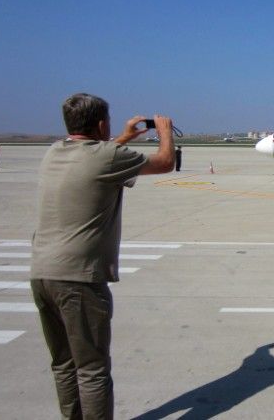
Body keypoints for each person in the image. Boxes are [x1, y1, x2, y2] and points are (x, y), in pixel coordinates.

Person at [30, 93, 175, 419]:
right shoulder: (107, 157)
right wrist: (164, 131)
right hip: (78, 279)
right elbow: (165, 162)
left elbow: (98, 150)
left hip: (42, 274)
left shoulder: (53, 152)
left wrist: (124, 136)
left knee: (64, 363)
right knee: (93, 369)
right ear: (100, 124)